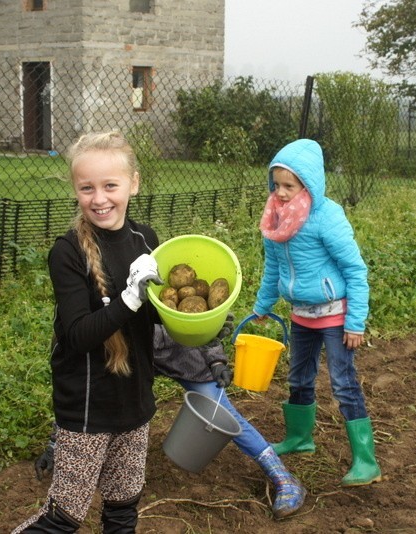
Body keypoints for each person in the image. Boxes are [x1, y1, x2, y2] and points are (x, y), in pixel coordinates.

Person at [11, 131, 163, 533]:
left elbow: (159, 318)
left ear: (133, 183)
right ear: (76, 189)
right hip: (87, 407)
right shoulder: (68, 252)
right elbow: (77, 334)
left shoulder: (145, 240)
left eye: (110, 185)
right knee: (64, 517)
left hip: (134, 399)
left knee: (123, 505)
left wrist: (204, 321)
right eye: (87, 188)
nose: (100, 199)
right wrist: (130, 298)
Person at [34, 322, 307, 519]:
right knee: (100, 399)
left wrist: (215, 361)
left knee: (221, 412)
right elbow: (79, 387)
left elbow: (200, 320)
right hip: (126, 360)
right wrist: (56, 442)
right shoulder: (84, 318)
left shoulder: (151, 267)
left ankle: (283, 477)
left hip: (180, 353)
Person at [250, 138, 381, 487]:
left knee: (343, 383)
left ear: (308, 184)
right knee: (298, 377)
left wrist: (355, 322)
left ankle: (366, 461)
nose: (280, 192)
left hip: (336, 316)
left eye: (288, 186)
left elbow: (356, 270)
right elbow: (273, 269)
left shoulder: (327, 217)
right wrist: (262, 306)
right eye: (276, 184)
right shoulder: (275, 219)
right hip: (301, 315)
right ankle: (299, 438)